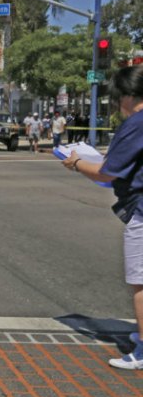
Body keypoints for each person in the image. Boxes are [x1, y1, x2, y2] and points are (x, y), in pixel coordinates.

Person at [63, 65, 143, 369]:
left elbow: (106, 171)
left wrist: (76, 162)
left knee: (141, 283)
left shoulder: (136, 123)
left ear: (127, 96)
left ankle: (141, 352)